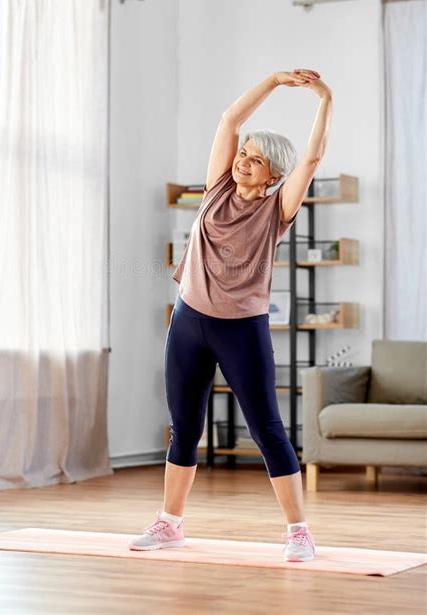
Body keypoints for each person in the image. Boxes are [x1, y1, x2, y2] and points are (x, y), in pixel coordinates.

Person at [129, 69, 333, 561]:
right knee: (185, 427)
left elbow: (312, 156)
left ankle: (299, 532)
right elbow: (230, 119)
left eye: (256, 160)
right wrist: (273, 81)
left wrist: (323, 98)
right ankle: (169, 523)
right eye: (244, 153)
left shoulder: (277, 210)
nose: (244, 162)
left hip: (241, 329)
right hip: (188, 322)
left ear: (273, 176)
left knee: (267, 429)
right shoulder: (216, 187)